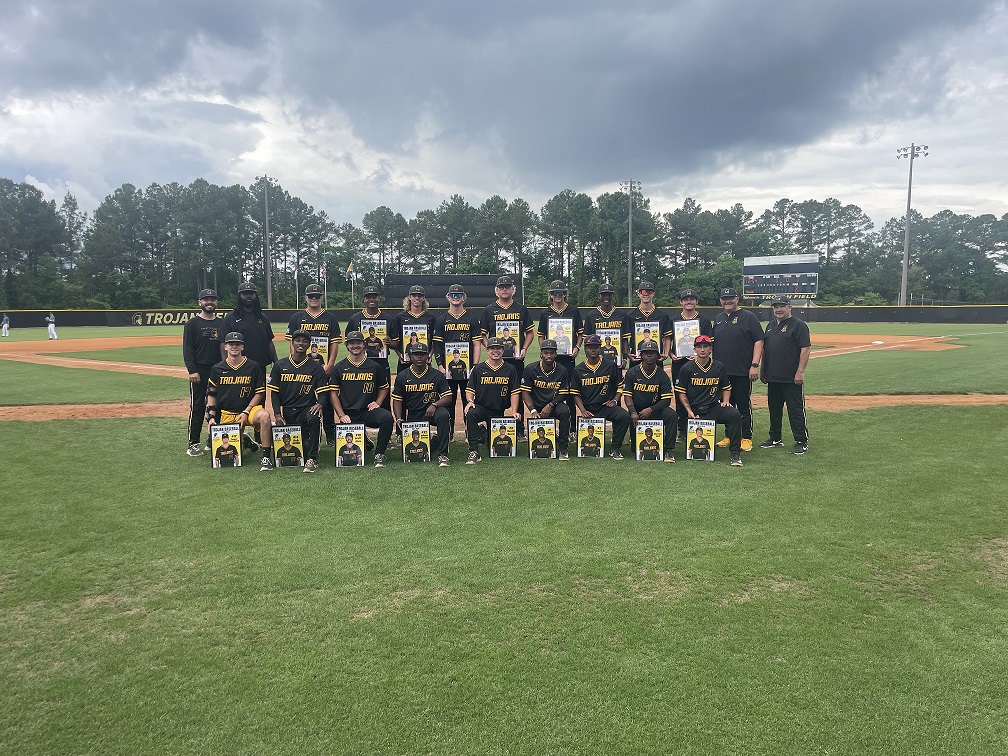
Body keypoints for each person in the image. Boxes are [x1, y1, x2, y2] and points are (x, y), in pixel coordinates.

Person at [286, 283, 343, 445]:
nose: (314, 299)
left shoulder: (330, 317)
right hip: (303, 367)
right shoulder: (297, 317)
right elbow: (292, 342)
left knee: (326, 400)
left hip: (323, 367)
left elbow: (334, 343)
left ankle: (330, 434)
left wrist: (330, 364)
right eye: (311, 296)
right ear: (305, 298)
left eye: (317, 296)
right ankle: (306, 432)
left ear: (321, 298)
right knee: (304, 397)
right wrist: (295, 361)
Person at [206, 331, 273, 469]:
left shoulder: (253, 366)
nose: (234, 347)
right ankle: (245, 440)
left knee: (265, 416)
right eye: (231, 344)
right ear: (225, 347)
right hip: (228, 413)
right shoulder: (217, 368)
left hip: (249, 411)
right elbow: (211, 395)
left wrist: (246, 411)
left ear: (243, 347)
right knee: (230, 455)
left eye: (237, 344)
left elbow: (259, 393)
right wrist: (211, 418)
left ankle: (266, 457)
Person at [267, 329, 330, 473]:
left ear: (309, 344)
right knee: (297, 447)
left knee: (314, 419)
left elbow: (323, 392)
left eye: (304, 341)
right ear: (292, 342)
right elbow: (274, 393)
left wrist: (319, 404)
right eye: (297, 340)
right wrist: (277, 414)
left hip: (307, 408)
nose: (300, 343)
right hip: (288, 410)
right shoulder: (280, 365)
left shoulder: (315, 366)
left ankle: (312, 459)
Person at [674, 335, 744, 466]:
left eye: (705, 346)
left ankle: (735, 454)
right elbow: (681, 392)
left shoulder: (718, 366)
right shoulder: (687, 368)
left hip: (713, 408)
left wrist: (726, 400)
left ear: (710, 348)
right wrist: (689, 411)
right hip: (694, 411)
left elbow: (726, 387)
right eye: (699, 346)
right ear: (694, 349)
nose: (702, 349)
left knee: (734, 414)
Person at [329, 331, 395, 468]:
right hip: (349, 414)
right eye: (352, 343)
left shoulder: (374, 366)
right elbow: (333, 393)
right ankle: (364, 440)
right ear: (347, 346)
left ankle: (379, 454)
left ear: (364, 345)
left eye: (358, 343)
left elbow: (384, 387)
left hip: (367, 411)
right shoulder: (339, 368)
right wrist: (341, 415)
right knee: (350, 446)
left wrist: (378, 402)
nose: (355, 346)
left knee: (387, 418)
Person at [712, 287, 764, 452]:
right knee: (726, 405)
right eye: (724, 298)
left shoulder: (748, 317)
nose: (727, 301)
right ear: (720, 300)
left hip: (742, 371)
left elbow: (759, 341)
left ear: (737, 299)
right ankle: (730, 435)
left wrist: (754, 365)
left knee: (742, 405)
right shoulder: (719, 318)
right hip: (722, 372)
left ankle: (746, 437)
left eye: (731, 298)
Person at [481, 275, 534, 437]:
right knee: (494, 390)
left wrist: (524, 348)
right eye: (501, 287)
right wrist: (490, 350)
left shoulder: (521, 308)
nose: (505, 289)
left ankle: (519, 429)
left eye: (508, 286)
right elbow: (482, 335)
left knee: (516, 390)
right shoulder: (489, 310)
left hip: (516, 359)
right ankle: (494, 425)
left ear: (513, 289)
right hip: (496, 361)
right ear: (496, 290)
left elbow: (530, 332)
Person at [759, 295, 811, 455]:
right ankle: (775, 438)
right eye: (775, 306)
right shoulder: (770, 326)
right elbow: (766, 350)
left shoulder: (798, 325)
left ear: (789, 307)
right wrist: (763, 370)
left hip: (791, 377)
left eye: (782, 306)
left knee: (795, 410)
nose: (778, 309)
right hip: (773, 376)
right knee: (774, 409)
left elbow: (805, 348)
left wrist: (800, 371)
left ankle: (801, 441)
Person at [390, 342, 453, 466]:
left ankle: (443, 455)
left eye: (422, 355)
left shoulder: (436, 375)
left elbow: (448, 397)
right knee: (414, 450)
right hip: (414, 414)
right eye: (416, 354)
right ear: (410, 356)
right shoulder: (403, 376)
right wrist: (398, 419)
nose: (419, 357)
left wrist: (435, 404)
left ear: (428, 357)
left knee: (444, 414)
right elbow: (397, 399)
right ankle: (435, 441)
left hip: (432, 412)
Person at [571, 334, 631, 459]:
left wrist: (615, 400)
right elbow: (575, 394)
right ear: (585, 349)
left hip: (605, 407)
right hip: (588, 409)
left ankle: (615, 448)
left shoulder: (610, 365)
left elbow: (620, 386)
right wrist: (583, 410)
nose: (593, 349)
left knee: (624, 416)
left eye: (596, 347)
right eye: (590, 347)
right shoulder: (578, 370)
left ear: (600, 348)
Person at [434, 283, 483, 436]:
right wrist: (440, 365)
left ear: (464, 298)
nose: (456, 298)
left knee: (468, 400)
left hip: (466, 368)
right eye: (453, 295)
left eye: (459, 295)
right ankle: (449, 432)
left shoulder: (471, 319)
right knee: (448, 400)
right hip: (448, 369)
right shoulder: (442, 319)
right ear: (448, 297)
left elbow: (476, 343)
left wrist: (475, 364)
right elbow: (437, 344)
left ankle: (470, 431)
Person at [464, 336, 520, 464]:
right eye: (492, 349)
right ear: (487, 350)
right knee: (471, 413)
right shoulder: (478, 369)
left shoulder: (510, 369)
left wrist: (514, 411)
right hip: (482, 407)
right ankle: (474, 451)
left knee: (495, 444)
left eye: (499, 348)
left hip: (498, 411)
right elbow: (470, 389)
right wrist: (470, 401)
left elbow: (514, 392)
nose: (496, 351)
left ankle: (483, 432)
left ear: (503, 350)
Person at [621, 339, 677, 462]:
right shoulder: (632, 373)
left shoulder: (662, 375)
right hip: (638, 411)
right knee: (634, 448)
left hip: (656, 409)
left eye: (652, 353)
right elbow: (627, 395)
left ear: (657, 355)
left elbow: (666, 400)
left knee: (672, 415)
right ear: (641, 355)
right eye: (646, 353)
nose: (649, 355)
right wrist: (632, 411)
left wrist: (651, 409)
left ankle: (669, 450)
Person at [537, 280, 582, 429]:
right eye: (555, 293)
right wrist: (545, 352)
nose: (558, 295)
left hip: (568, 358)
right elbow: (541, 335)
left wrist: (576, 347)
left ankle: (572, 429)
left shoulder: (573, 311)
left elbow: (580, 334)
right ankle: (545, 425)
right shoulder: (545, 313)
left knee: (569, 392)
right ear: (550, 295)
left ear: (565, 294)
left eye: (561, 293)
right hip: (551, 360)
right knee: (548, 389)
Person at [183, 288, 222, 456]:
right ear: (199, 302)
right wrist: (192, 370)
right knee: (198, 406)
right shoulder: (192, 324)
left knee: (218, 405)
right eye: (206, 299)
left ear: (216, 302)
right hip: (200, 370)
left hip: (218, 371)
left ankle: (213, 440)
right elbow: (188, 349)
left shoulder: (222, 323)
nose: (209, 302)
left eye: (213, 299)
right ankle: (193, 443)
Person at [671, 288, 714, 442]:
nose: (689, 302)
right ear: (681, 302)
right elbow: (668, 343)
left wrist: (698, 354)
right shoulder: (674, 320)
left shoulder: (704, 320)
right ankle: (682, 430)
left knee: (699, 394)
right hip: (679, 364)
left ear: (696, 301)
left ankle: (699, 426)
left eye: (692, 299)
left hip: (699, 364)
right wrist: (671, 354)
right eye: (686, 299)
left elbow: (710, 343)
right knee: (680, 396)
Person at [520, 339, 571, 460]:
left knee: (564, 411)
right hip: (536, 405)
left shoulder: (562, 370)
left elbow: (563, 393)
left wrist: (550, 405)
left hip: (554, 404)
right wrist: (532, 410)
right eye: (546, 352)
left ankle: (563, 447)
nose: (549, 355)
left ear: (556, 354)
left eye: (552, 352)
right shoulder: (531, 369)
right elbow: (525, 392)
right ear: (541, 354)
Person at [220, 281, 278, 370]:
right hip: (238, 367)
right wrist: (225, 364)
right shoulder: (230, 317)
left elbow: (269, 341)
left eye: (251, 293)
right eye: (245, 294)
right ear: (239, 296)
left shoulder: (262, 317)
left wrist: (276, 362)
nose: (248, 296)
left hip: (260, 365)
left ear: (255, 296)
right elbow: (223, 342)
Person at [621, 282, 672, 366]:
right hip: (636, 360)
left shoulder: (662, 315)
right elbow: (625, 338)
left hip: (656, 359)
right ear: (638, 294)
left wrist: (666, 353)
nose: (646, 294)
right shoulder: (630, 315)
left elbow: (667, 336)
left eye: (649, 292)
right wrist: (627, 353)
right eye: (644, 292)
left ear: (653, 294)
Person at [391, 285, 437, 374]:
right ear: (409, 297)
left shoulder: (430, 318)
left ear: (423, 298)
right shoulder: (400, 317)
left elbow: (434, 340)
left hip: (424, 361)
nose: (417, 298)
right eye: (414, 295)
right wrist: (400, 355)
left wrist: (430, 354)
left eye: (419, 296)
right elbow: (395, 340)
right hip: (405, 362)